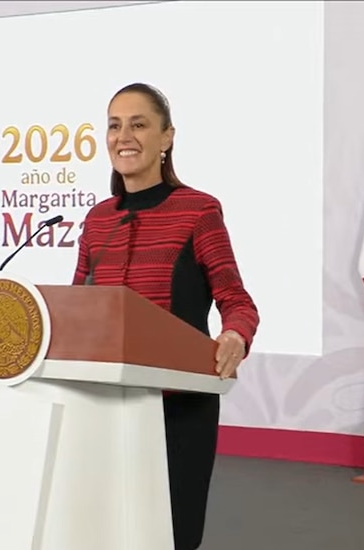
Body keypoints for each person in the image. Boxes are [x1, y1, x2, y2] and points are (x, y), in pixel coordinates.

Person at [72, 83, 259, 550]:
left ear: (167, 138)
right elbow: (75, 309)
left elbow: (237, 300)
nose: (123, 135)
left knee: (169, 535)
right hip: (105, 405)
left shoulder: (198, 211)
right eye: (114, 125)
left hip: (179, 406)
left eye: (138, 124)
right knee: (108, 531)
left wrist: (235, 335)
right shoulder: (97, 220)